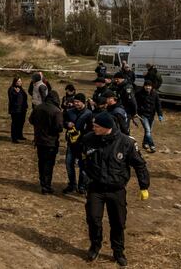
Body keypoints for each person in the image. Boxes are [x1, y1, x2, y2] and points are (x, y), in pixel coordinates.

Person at [80, 112, 150, 267]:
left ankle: (118, 251)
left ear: (107, 127)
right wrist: (87, 172)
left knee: (118, 222)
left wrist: (144, 186)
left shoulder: (126, 143)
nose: (93, 128)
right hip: (95, 188)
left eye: (97, 126)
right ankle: (95, 246)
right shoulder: (89, 139)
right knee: (93, 219)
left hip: (116, 189)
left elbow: (139, 164)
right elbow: (83, 157)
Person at [29, 90, 63, 194]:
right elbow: (59, 127)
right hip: (50, 141)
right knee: (49, 163)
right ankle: (46, 185)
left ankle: (43, 182)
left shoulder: (38, 107)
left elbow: (31, 120)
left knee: (41, 161)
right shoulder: (56, 111)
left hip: (39, 140)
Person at [63, 93, 93, 194]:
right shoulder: (69, 112)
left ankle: (82, 186)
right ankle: (72, 184)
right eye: (74, 102)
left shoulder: (89, 113)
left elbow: (91, 129)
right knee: (68, 164)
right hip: (71, 143)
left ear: (83, 102)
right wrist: (67, 124)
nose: (75, 104)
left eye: (78, 102)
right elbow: (63, 122)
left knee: (83, 166)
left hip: (82, 145)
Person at [135, 81, 163, 152]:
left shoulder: (155, 94)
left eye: (149, 86)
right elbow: (135, 103)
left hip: (151, 115)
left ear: (152, 87)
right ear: (144, 86)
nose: (148, 87)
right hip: (143, 115)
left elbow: (158, 105)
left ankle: (145, 143)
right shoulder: (139, 93)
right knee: (148, 130)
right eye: (146, 86)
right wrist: (137, 111)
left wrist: (160, 114)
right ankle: (152, 145)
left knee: (148, 131)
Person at [7, 77, 28, 143]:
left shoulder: (21, 89)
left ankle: (19, 135)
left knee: (21, 122)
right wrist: (17, 93)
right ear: (15, 82)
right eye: (18, 81)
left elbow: (24, 97)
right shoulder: (12, 89)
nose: (20, 82)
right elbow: (12, 99)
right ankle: (14, 137)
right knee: (15, 123)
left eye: (20, 81)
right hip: (15, 110)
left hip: (22, 109)